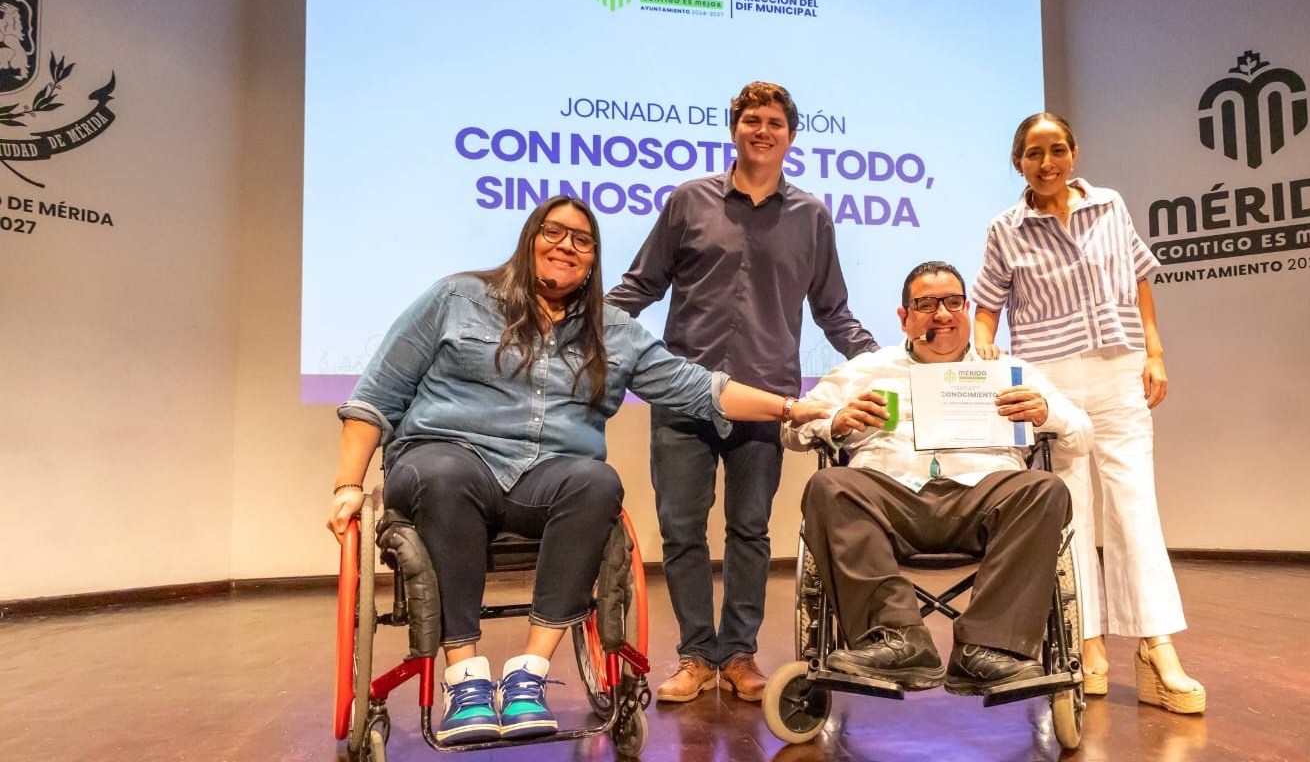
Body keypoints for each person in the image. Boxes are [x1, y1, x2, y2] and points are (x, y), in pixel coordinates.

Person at [325, 196, 831, 745]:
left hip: (545, 480)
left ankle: (528, 674)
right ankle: (464, 678)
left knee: (597, 481)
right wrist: (348, 485)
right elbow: (376, 396)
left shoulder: (614, 332)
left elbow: (702, 389)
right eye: (554, 232)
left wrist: (791, 407)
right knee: (446, 475)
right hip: (446, 461)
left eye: (582, 240)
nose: (566, 245)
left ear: (593, 260)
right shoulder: (457, 298)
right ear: (529, 238)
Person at [606, 81, 879, 703]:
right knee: (681, 529)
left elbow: (833, 311)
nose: (763, 130)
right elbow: (641, 286)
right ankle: (695, 656)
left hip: (765, 399)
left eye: (775, 122)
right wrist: (576, 327)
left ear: (791, 135)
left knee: (750, 530)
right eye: (752, 120)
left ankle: (738, 654)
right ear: (734, 129)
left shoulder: (811, 216)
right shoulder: (688, 201)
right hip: (683, 392)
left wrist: (886, 364)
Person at [971, 112, 1206, 714]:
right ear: (1017, 163)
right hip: (1050, 382)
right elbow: (987, 305)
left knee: (1135, 506)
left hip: (1118, 369)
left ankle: (1157, 645)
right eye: (1033, 154)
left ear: (1073, 152)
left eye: (1056, 150)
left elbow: (1140, 280)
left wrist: (1155, 352)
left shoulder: (1110, 206)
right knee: (1069, 510)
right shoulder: (1005, 228)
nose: (1046, 163)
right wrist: (985, 348)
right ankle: (1086, 642)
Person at [781, 261, 1092, 693]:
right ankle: (897, 639)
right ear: (903, 317)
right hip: (889, 501)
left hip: (984, 499)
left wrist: (1046, 414)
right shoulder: (865, 370)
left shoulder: (1008, 372)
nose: (942, 314)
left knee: (1043, 488)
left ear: (968, 309)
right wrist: (835, 422)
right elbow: (792, 429)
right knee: (829, 486)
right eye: (926, 304)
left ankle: (988, 648)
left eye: (952, 303)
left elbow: (1082, 435)